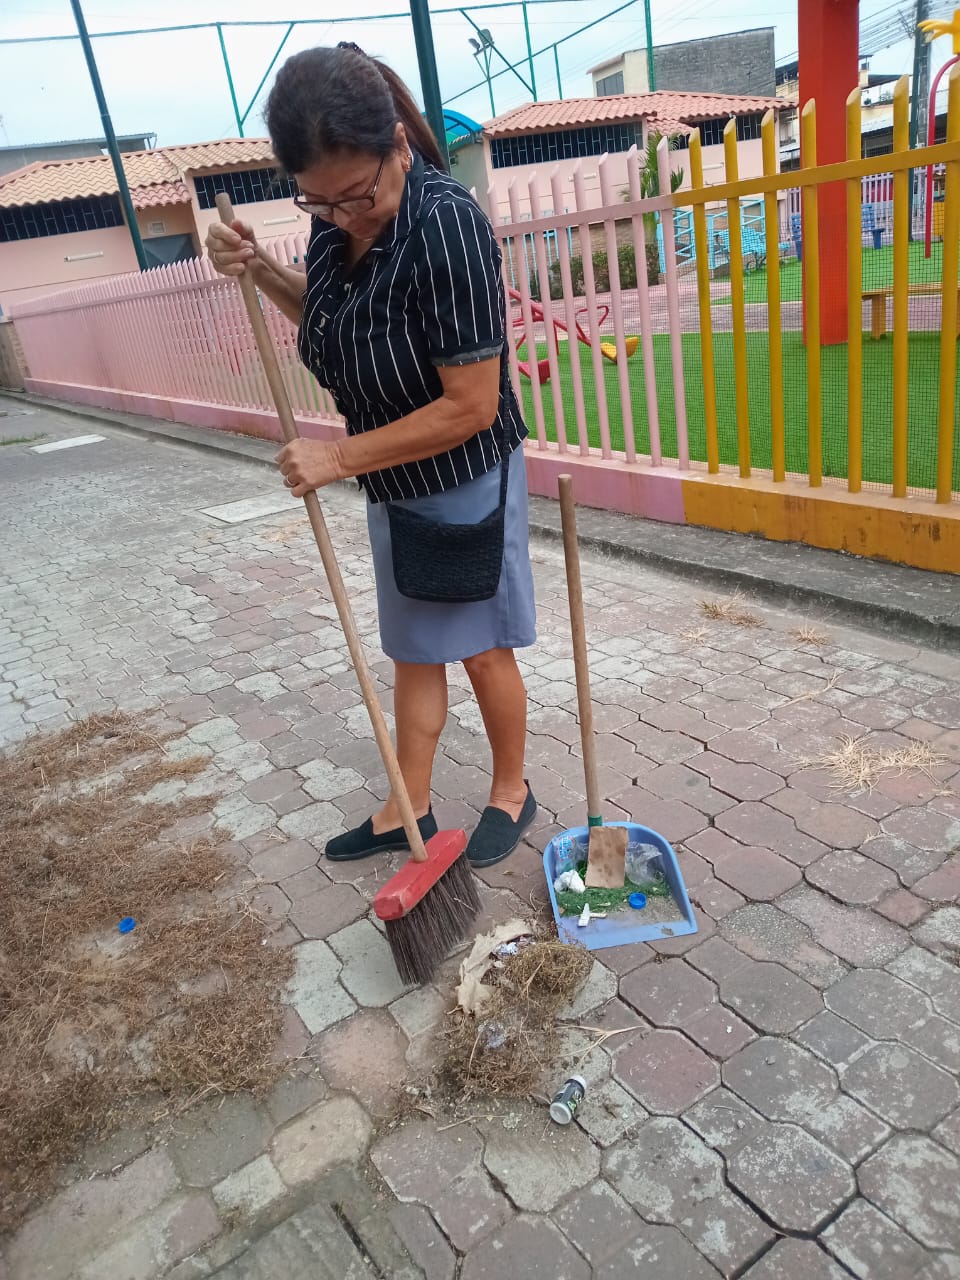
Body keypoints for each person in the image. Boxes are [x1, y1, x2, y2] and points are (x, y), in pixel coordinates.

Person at [205, 43, 537, 869]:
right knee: (413, 646)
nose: (341, 215)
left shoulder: (446, 226)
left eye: (355, 195)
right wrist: (259, 269)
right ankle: (406, 806)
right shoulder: (333, 225)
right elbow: (334, 319)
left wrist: (338, 457)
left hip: (463, 476)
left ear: (394, 143)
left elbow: (472, 404)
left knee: (479, 645)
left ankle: (512, 792)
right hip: (389, 475)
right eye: (317, 200)